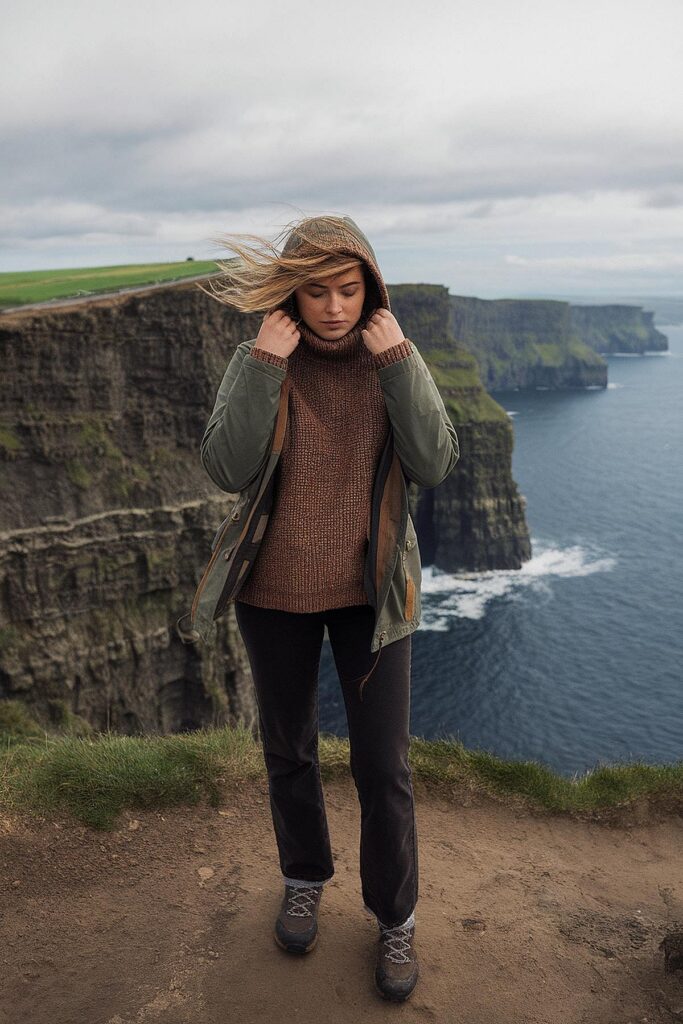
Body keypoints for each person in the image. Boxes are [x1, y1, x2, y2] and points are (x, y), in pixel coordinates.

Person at [197, 214, 460, 1002]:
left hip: (369, 596)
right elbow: (224, 466)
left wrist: (401, 363)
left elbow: (435, 462)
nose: (335, 307)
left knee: (383, 766)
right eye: (317, 292)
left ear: (369, 289)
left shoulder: (391, 361)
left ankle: (395, 920)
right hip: (271, 593)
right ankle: (303, 877)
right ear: (293, 297)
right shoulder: (261, 359)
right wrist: (260, 367)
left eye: (348, 289)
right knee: (289, 749)